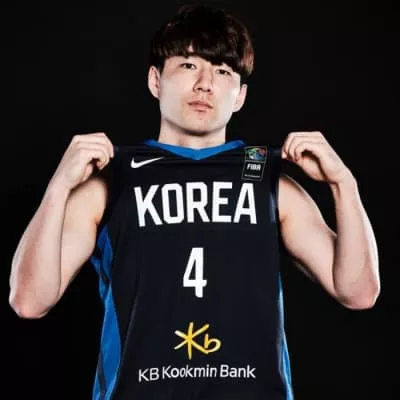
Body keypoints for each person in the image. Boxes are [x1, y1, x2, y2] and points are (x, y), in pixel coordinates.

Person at [9, 4, 380, 400]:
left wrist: (344, 184)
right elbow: (29, 300)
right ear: (155, 80)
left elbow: (358, 292)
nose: (205, 84)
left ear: (240, 95)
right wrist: (58, 189)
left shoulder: (269, 182)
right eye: (188, 65)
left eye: (223, 71)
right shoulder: (110, 181)